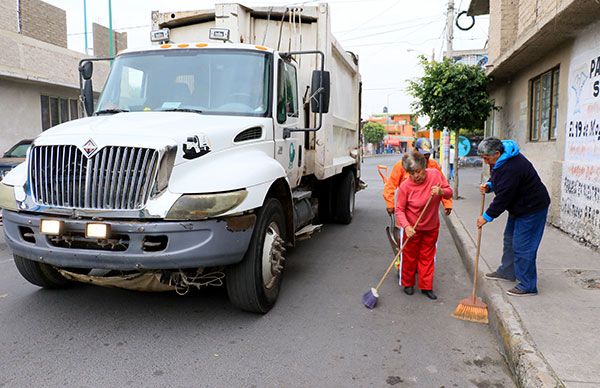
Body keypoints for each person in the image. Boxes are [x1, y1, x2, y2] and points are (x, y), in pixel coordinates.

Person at [476, 137, 551, 297]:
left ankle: (528, 285)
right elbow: (498, 178)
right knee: (509, 239)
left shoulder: (512, 166)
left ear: (497, 153)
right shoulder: (500, 160)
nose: (485, 161)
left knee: (523, 246)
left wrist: (486, 217)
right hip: (519, 207)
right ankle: (508, 271)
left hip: (532, 208)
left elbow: (503, 197)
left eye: (486, 158)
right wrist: (490, 185)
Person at [395, 151, 453, 300]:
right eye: (411, 173)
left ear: (424, 167)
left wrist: (441, 191)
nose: (416, 176)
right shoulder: (405, 186)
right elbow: (400, 210)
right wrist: (407, 226)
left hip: (431, 226)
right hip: (411, 228)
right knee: (409, 257)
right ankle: (408, 283)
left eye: (418, 172)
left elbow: (449, 192)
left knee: (427, 257)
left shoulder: (435, 174)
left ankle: (426, 286)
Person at [383, 138, 453, 216]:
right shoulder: (402, 165)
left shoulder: (433, 165)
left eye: (428, 154)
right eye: (423, 154)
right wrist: (390, 204)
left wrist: (447, 203)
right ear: (415, 151)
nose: (426, 157)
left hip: (428, 211)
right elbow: (390, 185)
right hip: (407, 209)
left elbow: (442, 185)